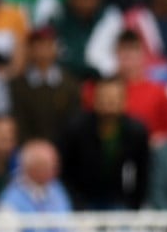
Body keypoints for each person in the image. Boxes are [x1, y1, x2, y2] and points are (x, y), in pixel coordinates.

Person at [59, 76, 150, 210]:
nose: (108, 103)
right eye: (104, 98)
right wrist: (76, 203)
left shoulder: (136, 131)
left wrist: (133, 206)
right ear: (95, 100)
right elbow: (65, 171)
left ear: (124, 101)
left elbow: (143, 173)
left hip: (120, 202)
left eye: (114, 99)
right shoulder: (76, 129)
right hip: (82, 201)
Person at [0, 138, 71, 232]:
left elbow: (70, 230)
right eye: (47, 165)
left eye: (55, 164)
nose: (55, 170)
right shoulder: (10, 202)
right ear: (30, 167)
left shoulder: (57, 189)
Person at [9, 25, 81, 144]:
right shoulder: (17, 85)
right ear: (30, 49)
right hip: (28, 149)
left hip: (63, 150)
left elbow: (73, 122)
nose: (43, 51)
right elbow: (19, 123)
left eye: (48, 45)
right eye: (38, 45)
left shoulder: (70, 84)